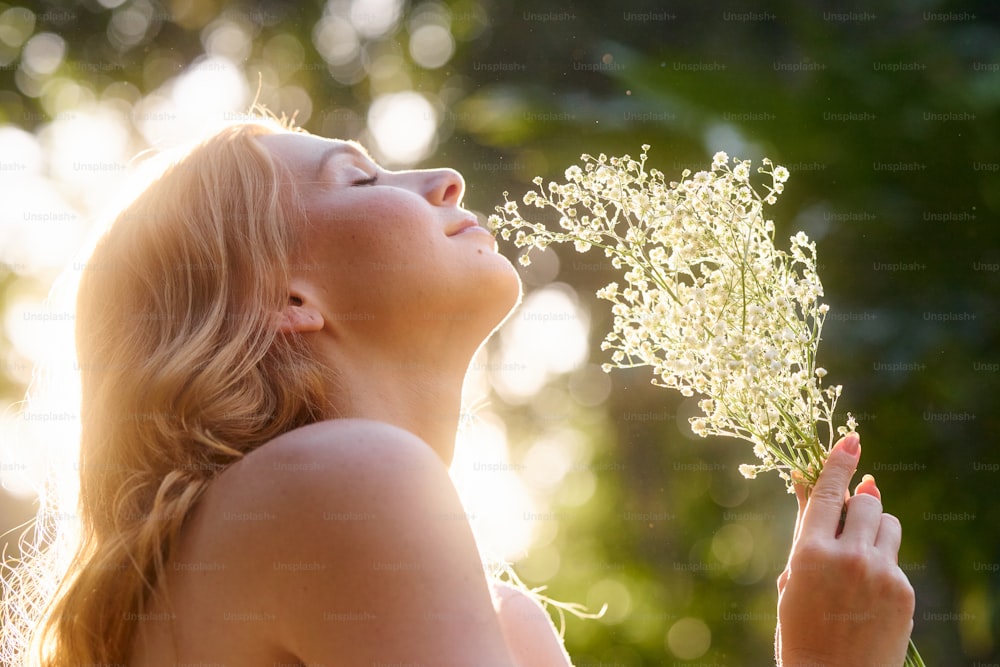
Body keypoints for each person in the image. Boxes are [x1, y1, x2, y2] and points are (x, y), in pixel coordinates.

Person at [0, 118, 914, 666]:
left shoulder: (499, 615)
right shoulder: (344, 480)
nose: (444, 178)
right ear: (285, 299)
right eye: (358, 177)